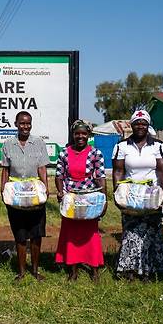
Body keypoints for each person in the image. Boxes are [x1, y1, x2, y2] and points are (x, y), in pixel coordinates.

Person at [112, 110, 163, 281]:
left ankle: (150, 270)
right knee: (131, 233)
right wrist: (117, 194)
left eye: (143, 123)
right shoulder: (122, 146)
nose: (140, 126)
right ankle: (129, 270)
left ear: (148, 125)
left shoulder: (158, 146)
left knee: (152, 233)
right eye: (137, 123)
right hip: (130, 196)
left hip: (152, 196)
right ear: (131, 125)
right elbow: (118, 171)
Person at [55, 119, 107, 282]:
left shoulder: (95, 153)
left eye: (84, 133)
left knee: (90, 233)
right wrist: (60, 192)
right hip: (70, 197)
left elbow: (100, 177)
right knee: (71, 233)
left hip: (89, 198)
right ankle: (73, 270)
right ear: (73, 134)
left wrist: (104, 200)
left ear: (88, 135)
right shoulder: (64, 153)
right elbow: (59, 175)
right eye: (77, 133)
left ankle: (94, 269)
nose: (80, 136)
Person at [0, 111, 50, 281]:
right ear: (16, 124)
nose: (25, 126)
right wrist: (3, 190)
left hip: (35, 192)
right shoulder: (8, 144)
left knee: (36, 234)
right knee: (20, 234)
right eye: (22, 123)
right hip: (15, 193)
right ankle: (21, 271)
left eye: (28, 123)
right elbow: (5, 169)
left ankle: (35, 270)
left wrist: (46, 189)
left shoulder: (39, 143)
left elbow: (42, 168)